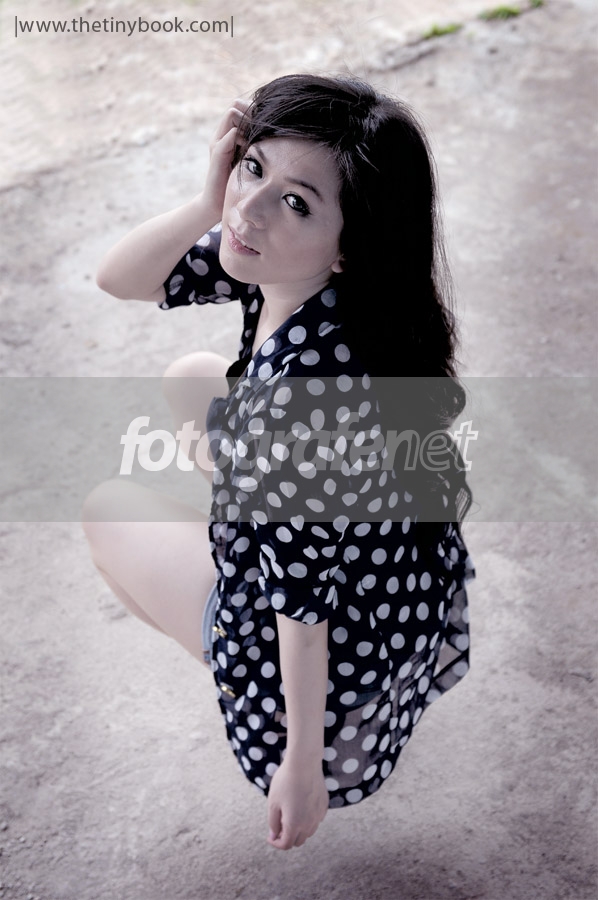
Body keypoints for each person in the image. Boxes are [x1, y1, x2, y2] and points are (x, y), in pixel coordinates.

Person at [82, 73, 476, 852]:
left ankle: (239, 672)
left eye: (296, 202)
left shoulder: (296, 405)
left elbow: (301, 607)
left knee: (105, 512)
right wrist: (210, 200)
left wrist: (301, 766)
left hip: (327, 669)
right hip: (389, 595)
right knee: (194, 376)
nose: (250, 210)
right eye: (253, 166)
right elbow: (119, 279)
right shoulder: (312, 280)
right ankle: (255, 528)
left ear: (350, 245)